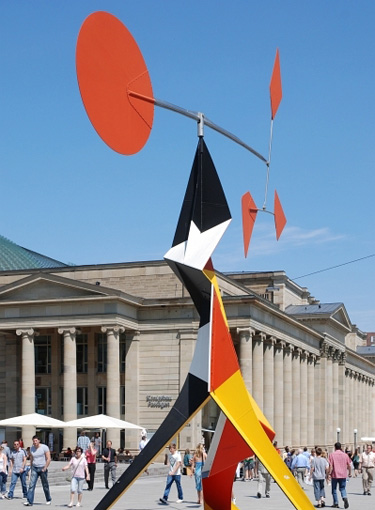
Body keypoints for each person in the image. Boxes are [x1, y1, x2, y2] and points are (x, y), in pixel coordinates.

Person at [24, 435, 52, 506]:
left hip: (42, 467)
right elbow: (31, 458)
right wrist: (30, 467)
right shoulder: (31, 448)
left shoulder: (44, 447)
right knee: (31, 484)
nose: (35, 442)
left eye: (36, 441)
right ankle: (29, 501)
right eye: (34, 441)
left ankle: (48, 499)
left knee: (45, 485)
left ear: (39, 441)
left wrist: (45, 467)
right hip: (35, 468)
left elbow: (48, 458)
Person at [328, 442, 351, 509]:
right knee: (342, 488)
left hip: (335, 474)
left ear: (335, 447)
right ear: (340, 447)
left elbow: (331, 466)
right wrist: (349, 473)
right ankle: (344, 497)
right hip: (343, 474)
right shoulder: (345, 455)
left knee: (334, 489)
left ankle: (336, 503)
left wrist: (329, 474)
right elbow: (349, 465)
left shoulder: (332, 455)